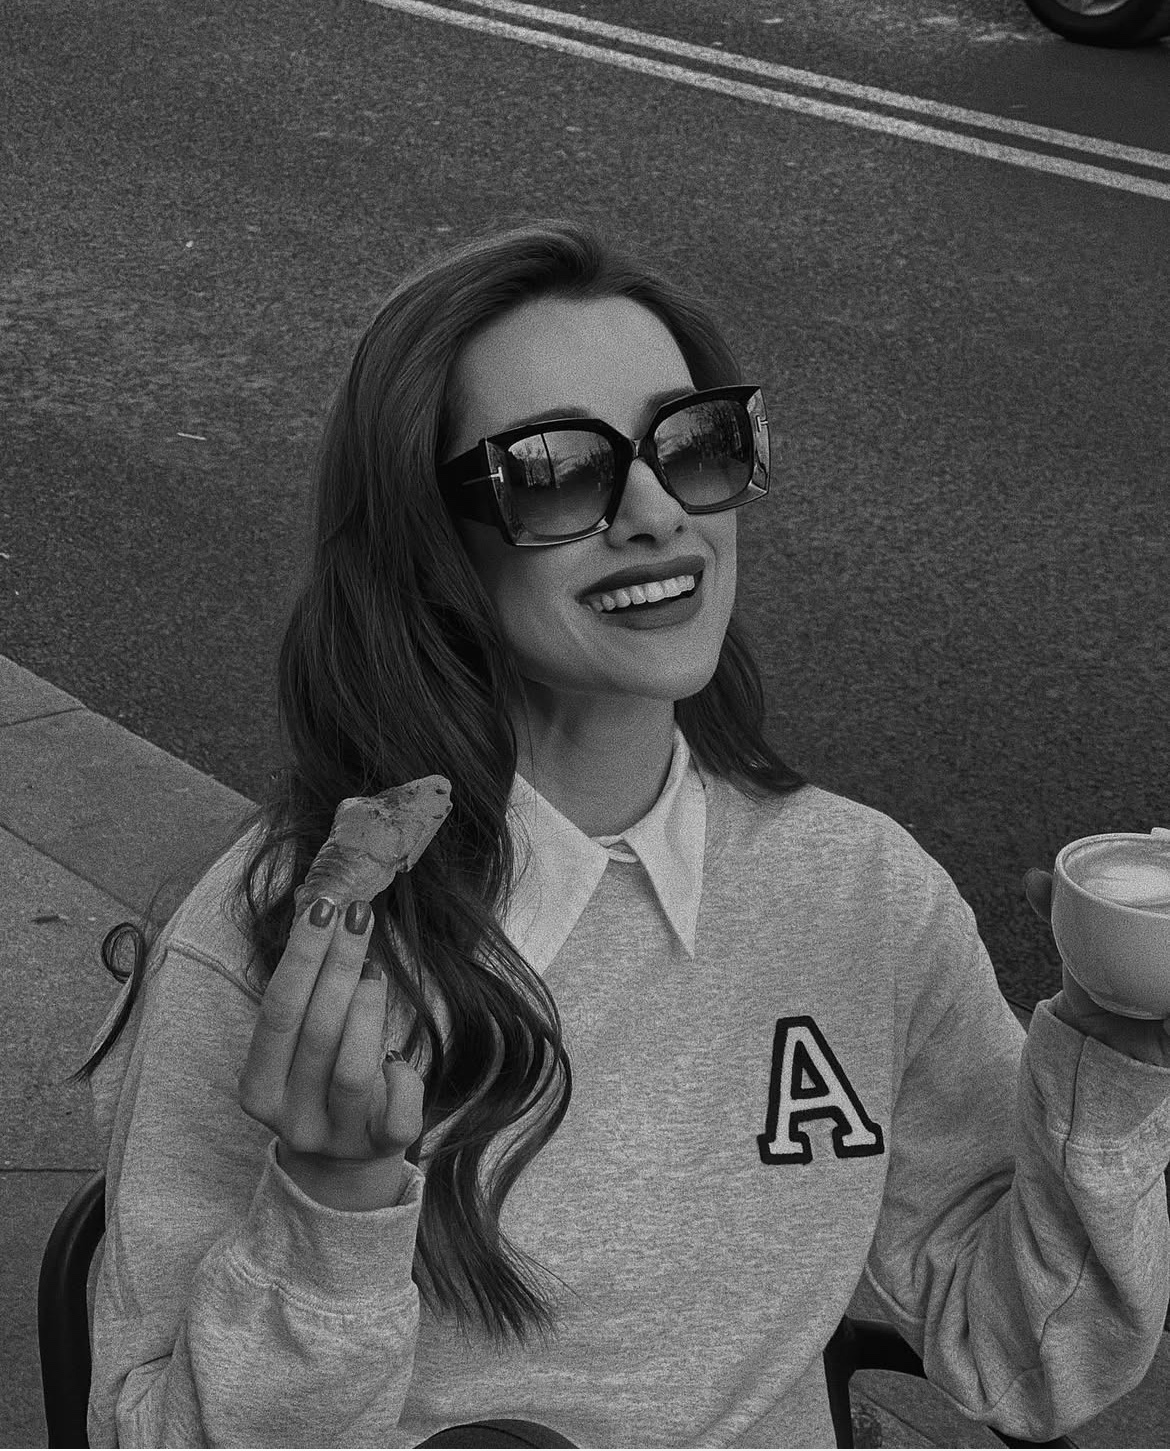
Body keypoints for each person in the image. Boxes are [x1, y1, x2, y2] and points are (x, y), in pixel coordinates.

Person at [80, 220, 1170, 1449]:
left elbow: (1027, 1360)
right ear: (427, 548)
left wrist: (1116, 1058)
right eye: (555, 471)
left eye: (694, 444)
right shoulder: (278, 945)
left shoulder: (865, 892)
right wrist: (330, 1205)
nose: (656, 512)